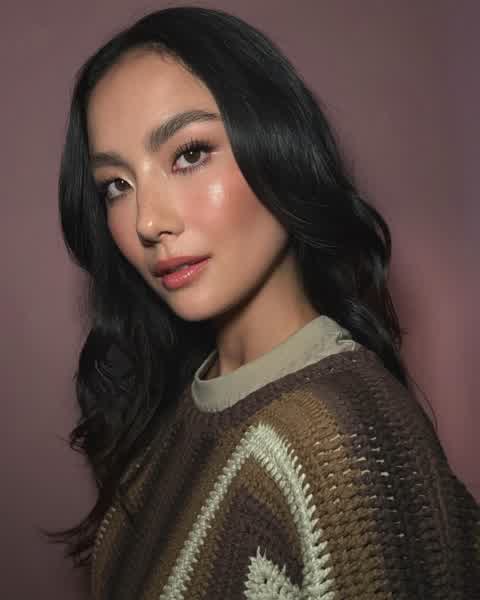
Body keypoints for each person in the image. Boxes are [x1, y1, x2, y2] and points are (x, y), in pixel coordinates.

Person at [48, 5, 479, 599]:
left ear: (280, 144)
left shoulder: (340, 443)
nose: (147, 221)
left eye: (189, 154)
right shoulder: (172, 411)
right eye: (116, 185)